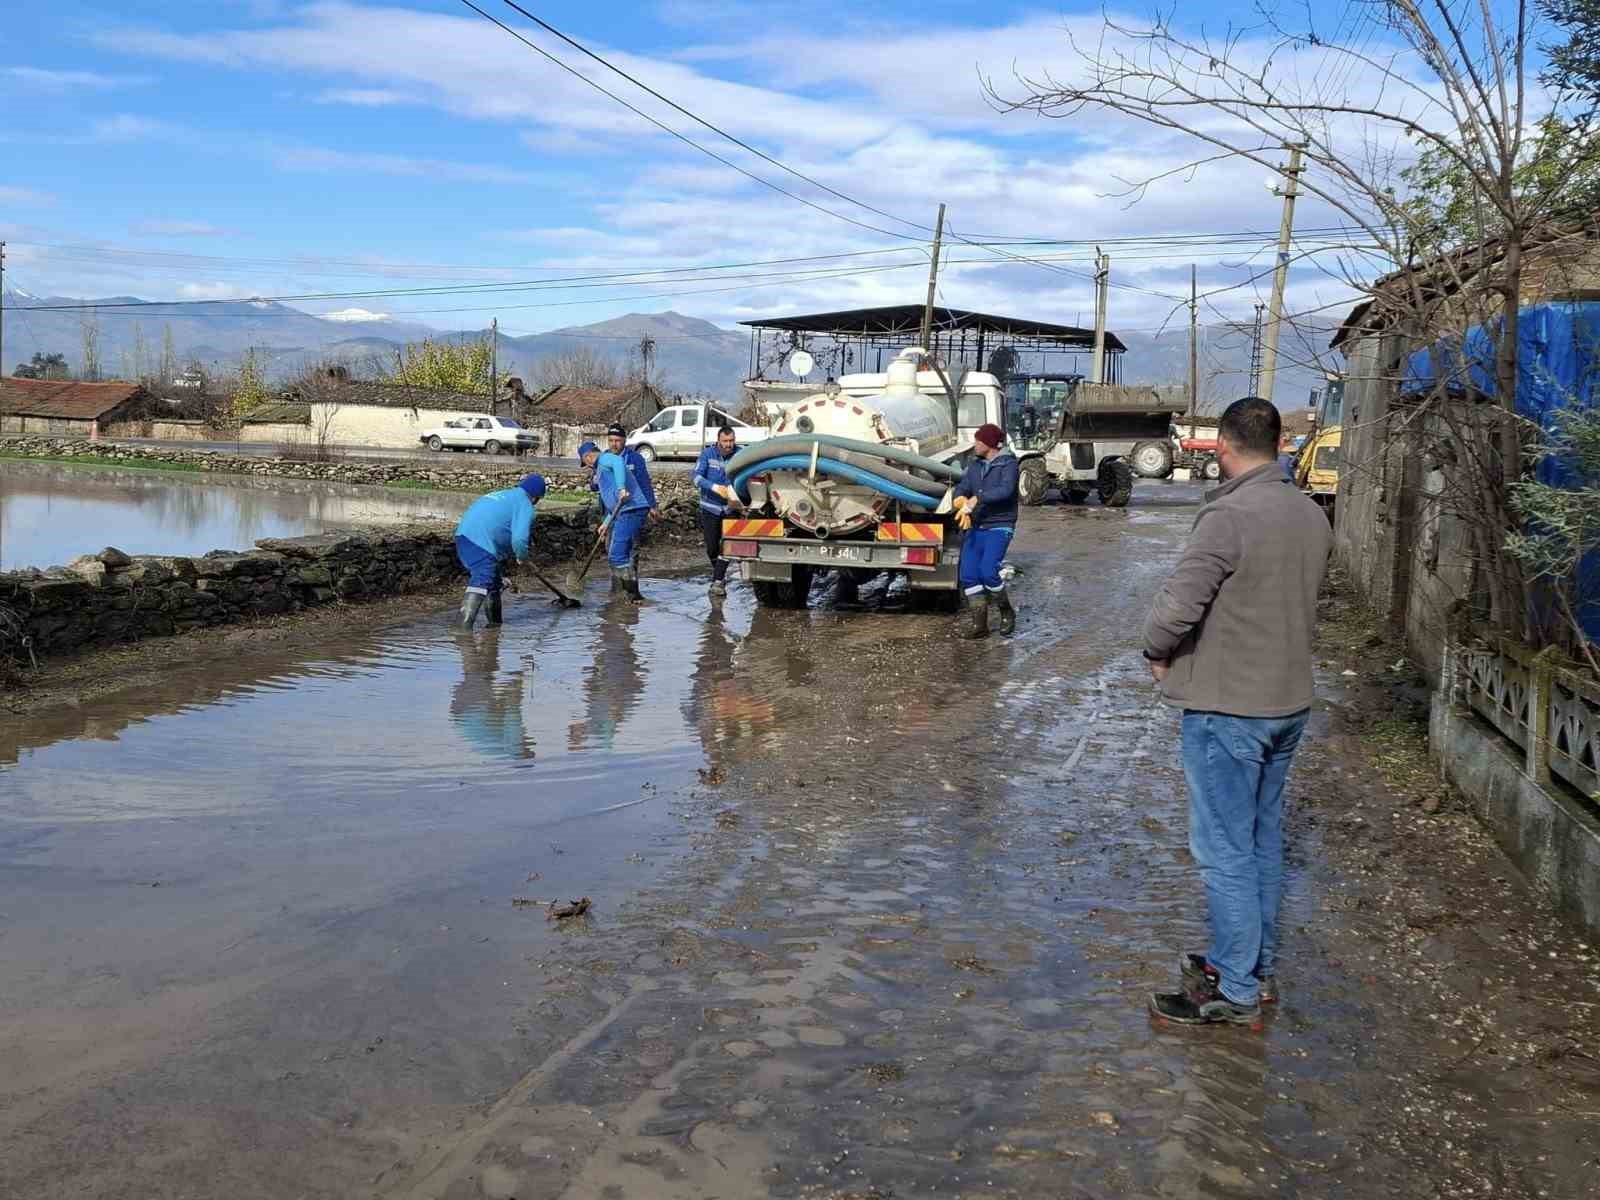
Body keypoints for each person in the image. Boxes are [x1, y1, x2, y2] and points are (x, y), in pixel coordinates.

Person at [1142, 396, 1333, 1027]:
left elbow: (1177, 607)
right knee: (1261, 840)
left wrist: (1156, 651)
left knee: (1224, 850)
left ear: (1223, 446)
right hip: (1288, 704)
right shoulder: (1312, 515)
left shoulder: (1227, 518)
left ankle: (1234, 988)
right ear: (1279, 444)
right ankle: (1258, 969)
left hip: (1230, 709)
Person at [950, 422, 1020, 638]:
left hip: (999, 525)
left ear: (989, 444)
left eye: (978, 440)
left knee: (988, 571)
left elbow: (1005, 491)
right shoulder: (975, 465)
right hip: (977, 525)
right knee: (969, 575)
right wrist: (959, 498)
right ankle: (980, 625)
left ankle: (1006, 612)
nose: (975, 444)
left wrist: (978, 498)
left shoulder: (1008, 465)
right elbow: (964, 486)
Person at [453, 473, 546, 629]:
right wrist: (523, 559)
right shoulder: (525, 504)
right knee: (483, 577)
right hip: (481, 542)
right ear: (536, 497)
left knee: (493, 583)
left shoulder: (504, 494)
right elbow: (519, 540)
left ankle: (494, 626)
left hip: (463, 536)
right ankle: (463, 630)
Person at [578, 423, 658, 600]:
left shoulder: (613, 458)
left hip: (631, 509)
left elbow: (640, 479)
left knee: (624, 552)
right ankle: (620, 590)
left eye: (617, 440)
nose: (614, 444)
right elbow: (602, 490)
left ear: (588, 457)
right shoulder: (602, 462)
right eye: (611, 440)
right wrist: (606, 523)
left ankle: (632, 593)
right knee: (615, 552)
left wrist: (649, 504)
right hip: (615, 511)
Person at [694, 424, 744, 597]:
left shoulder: (740, 453)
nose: (729, 444)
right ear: (718, 440)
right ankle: (719, 574)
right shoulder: (708, 454)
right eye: (725, 441)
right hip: (710, 508)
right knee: (711, 547)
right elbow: (697, 477)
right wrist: (714, 487)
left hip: (732, 508)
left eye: (731, 441)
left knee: (728, 545)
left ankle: (718, 581)